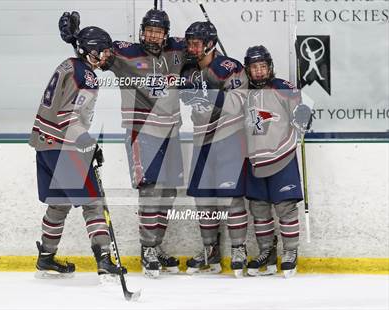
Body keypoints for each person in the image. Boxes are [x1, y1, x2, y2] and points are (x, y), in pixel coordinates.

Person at [58, 9, 186, 278]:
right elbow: (98, 46)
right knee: (150, 191)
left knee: (169, 192)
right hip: (142, 131)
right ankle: (148, 248)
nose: (152, 35)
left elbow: (201, 49)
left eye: (158, 31)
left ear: (165, 33)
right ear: (141, 31)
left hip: (171, 131)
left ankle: (156, 245)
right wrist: (76, 36)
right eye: (148, 30)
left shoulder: (178, 50)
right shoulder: (125, 53)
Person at [29, 26, 127, 281]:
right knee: (93, 203)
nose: (107, 56)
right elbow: (69, 118)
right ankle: (104, 259)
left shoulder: (68, 64)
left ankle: (46, 257)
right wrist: (88, 144)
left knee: (58, 204)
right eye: (103, 51)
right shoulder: (88, 77)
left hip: (44, 145)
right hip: (64, 146)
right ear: (91, 52)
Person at [179, 22, 249, 277]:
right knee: (203, 198)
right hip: (201, 140)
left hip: (229, 138)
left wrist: (214, 96)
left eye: (196, 43)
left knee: (232, 197)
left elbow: (242, 99)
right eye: (189, 43)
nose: (191, 48)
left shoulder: (228, 67)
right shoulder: (187, 70)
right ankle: (211, 252)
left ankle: (239, 250)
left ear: (210, 44)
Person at [242, 45, 312, 278]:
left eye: (263, 66)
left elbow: (303, 110)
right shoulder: (242, 92)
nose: (259, 72)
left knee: (285, 206)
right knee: (258, 209)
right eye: (254, 68)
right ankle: (267, 252)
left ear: (270, 67)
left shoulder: (283, 88)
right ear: (248, 70)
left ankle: (290, 252)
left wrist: (303, 115)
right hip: (255, 160)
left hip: (282, 156)